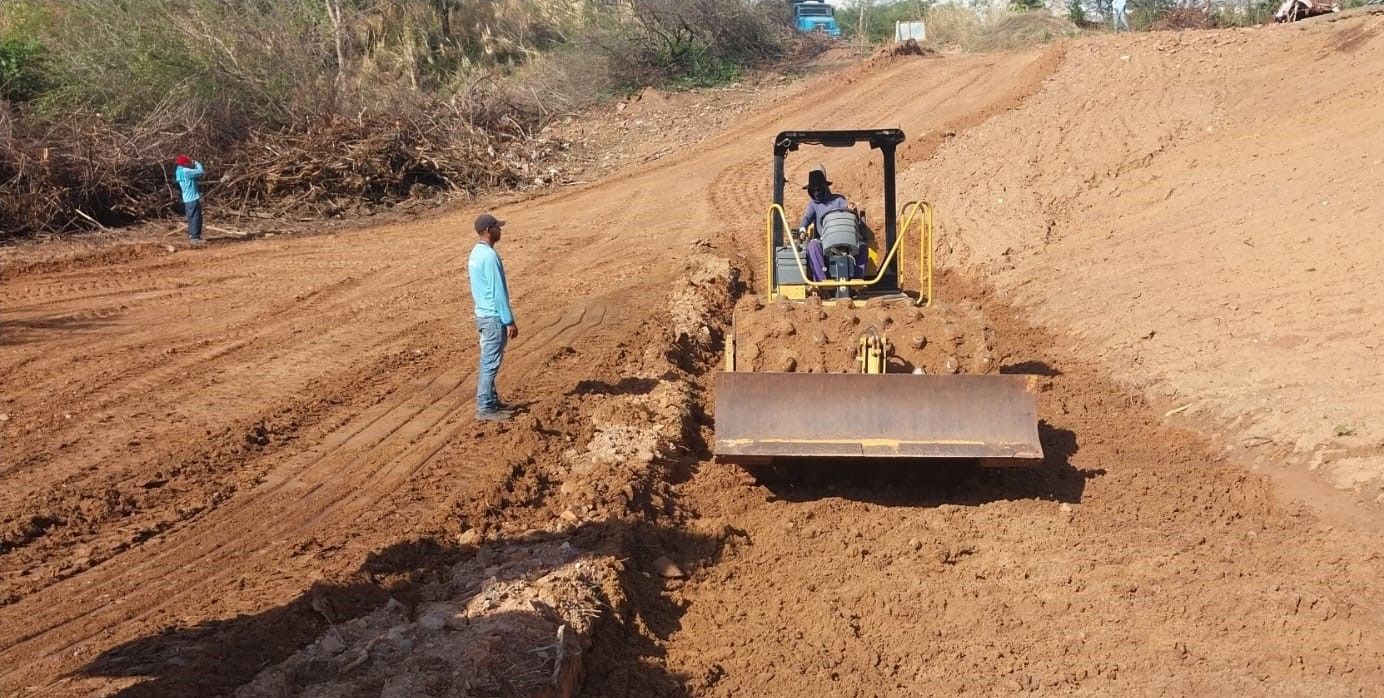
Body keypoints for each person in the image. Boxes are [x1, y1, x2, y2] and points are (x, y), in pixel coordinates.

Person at [468, 213, 519, 422]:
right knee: (490, 363)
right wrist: (509, 320)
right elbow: (498, 292)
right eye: (497, 227)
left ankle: (491, 400)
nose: (501, 230)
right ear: (489, 231)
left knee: (489, 360)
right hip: (493, 317)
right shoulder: (489, 257)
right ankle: (485, 407)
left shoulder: (476, 253)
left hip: (482, 314)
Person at [795, 167, 866, 281]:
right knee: (812, 247)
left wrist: (852, 209)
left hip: (845, 240)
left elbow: (849, 211)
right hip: (824, 242)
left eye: (818, 189)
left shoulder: (839, 200)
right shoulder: (813, 205)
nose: (816, 193)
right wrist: (803, 228)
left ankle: (857, 281)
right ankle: (822, 283)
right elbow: (807, 217)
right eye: (813, 191)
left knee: (862, 247)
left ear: (825, 188)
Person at [174, 155, 206, 246]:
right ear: (185, 164)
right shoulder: (186, 171)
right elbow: (200, 172)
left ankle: (192, 235)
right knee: (196, 217)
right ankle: (195, 238)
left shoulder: (178, 171)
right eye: (187, 162)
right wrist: (196, 163)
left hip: (186, 198)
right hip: (192, 197)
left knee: (191, 218)